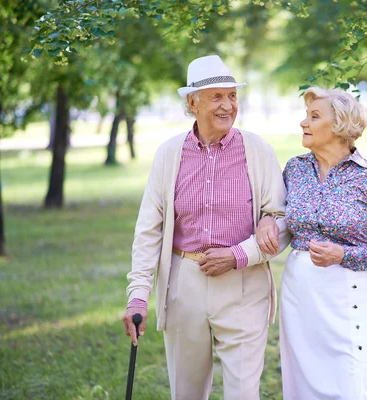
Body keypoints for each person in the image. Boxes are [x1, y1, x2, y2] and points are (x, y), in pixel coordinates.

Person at [122, 54, 289, 400]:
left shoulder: (257, 151)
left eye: (232, 96)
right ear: (192, 102)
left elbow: (283, 221)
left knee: (243, 394)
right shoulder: (169, 155)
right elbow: (148, 231)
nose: (228, 105)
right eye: (217, 97)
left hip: (245, 286)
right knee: (186, 394)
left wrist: (239, 254)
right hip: (185, 284)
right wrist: (138, 295)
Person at [257, 87, 367, 400]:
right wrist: (267, 219)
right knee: (302, 385)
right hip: (300, 295)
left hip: (349, 296)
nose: (303, 123)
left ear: (339, 127)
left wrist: (342, 254)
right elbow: (277, 213)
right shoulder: (296, 169)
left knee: (350, 381)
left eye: (314, 116)